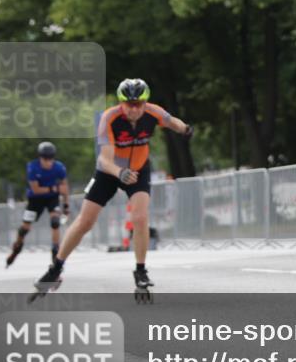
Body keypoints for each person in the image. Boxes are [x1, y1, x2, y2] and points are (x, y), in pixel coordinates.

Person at [32, 79, 193, 299]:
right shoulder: (109, 118)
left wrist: (185, 129)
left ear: (146, 103)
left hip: (138, 170)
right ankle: (55, 268)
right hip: (110, 172)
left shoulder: (153, 112)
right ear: (121, 103)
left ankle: (140, 271)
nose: (134, 109)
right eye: (129, 104)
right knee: (85, 222)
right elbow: (104, 159)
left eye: (139, 104)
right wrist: (120, 173)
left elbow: (172, 121)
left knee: (140, 217)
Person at [6, 141, 69, 267]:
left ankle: (55, 254)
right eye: (45, 159)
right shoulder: (33, 167)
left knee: (55, 222)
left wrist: (66, 205)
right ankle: (16, 248)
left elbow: (65, 186)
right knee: (25, 229)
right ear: (40, 157)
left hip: (52, 198)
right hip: (36, 199)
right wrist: (54, 188)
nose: (48, 162)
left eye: (50, 159)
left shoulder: (59, 167)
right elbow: (36, 189)